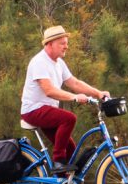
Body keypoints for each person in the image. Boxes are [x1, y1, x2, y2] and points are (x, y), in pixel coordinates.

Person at [20, 25, 108, 173]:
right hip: (33, 110)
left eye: (66, 43)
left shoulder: (59, 63)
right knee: (68, 119)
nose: (66, 46)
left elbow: (74, 83)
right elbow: (49, 91)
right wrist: (74, 97)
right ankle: (58, 161)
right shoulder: (39, 62)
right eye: (62, 43)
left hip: (47, 111)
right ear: (50, 44)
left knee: (71, 149)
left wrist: (98, 93)